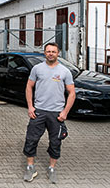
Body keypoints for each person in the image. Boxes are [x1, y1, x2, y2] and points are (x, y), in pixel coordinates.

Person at [23, 42, 75, 184]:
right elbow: (29, 87)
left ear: (58, 53)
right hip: (38, 112)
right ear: (44, 53)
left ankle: (52, 168)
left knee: (55, 142)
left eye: (53, 51)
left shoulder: (65, 71)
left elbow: (72, 93)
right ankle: (30, 167)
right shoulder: (37, 69)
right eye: (48, 51)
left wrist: (65, 112)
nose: (51, 53)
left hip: (56, 114)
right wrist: (30, 107)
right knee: (31, 139)